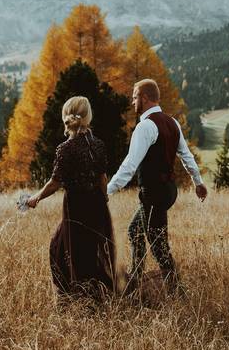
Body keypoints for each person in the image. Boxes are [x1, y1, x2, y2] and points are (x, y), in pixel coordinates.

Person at [107, 78, 207, 292]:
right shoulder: (172, 122)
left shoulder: (145, 127)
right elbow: (186, 155)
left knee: (158, 243)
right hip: (169, 190)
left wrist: (107, 190)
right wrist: (198, 182)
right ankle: (136, 278)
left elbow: (129, 166)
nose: (133, 102)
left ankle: (177, 289)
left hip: (154, 193)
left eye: (134, 97)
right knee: (135, 230)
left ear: (144, 98)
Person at [26, 96, 115, 300]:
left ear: (67, 117)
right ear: (88, 116)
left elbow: (55, 182)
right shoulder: (99, 145)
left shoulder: (65, 148)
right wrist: (105, 199)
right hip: (97, 203)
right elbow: (103, 178)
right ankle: (92, 295)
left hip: (76, 206)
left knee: (63, 249)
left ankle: (74, 297)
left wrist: (36, 198)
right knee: (91, 250)